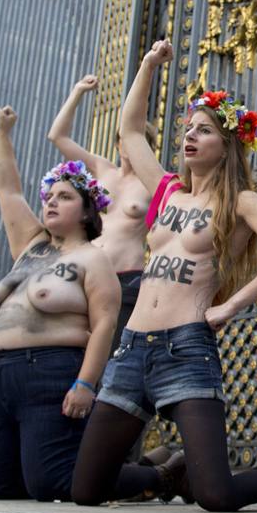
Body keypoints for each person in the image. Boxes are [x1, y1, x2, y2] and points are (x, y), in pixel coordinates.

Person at [70, 46, 257, 512]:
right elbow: (130, 130)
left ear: (228, 142)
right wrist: (148, 66)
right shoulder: (169, 190)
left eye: (205, 130)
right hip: (132, 349)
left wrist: (232, 305)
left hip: (187, 347)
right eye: (188, 129)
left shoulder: (242, 201)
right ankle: (166, 475)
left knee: (216, 495)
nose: (191, 136)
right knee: (85, 490)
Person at [0, 107, 119, 501]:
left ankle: (156, 476)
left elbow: (104, 325)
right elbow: (8, 189)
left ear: (87, 210)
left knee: (56, 484)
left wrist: (85, 384)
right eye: (49, 196)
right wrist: (2, 132)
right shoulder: (31, 246)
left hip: (50, 372)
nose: (50, 202)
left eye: (64, 197)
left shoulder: (93, 258)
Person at [49, 75, 155, 348]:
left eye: (135, 139)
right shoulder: (102, 169)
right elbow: (57, 136)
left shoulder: (151, 181)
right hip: (87, 273)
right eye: (123, 139)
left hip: (126, 277)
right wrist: (77, 91)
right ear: (118, 143)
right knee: (74, 347)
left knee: (109, 351)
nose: (127, 145)